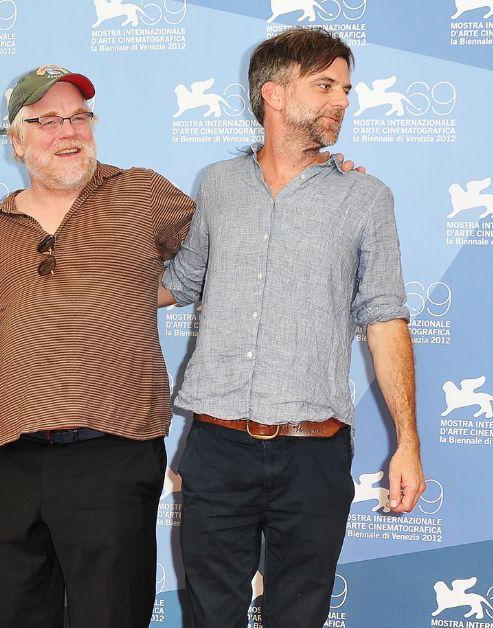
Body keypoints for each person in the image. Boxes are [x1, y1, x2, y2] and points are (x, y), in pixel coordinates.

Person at [162, 27, 424, 628]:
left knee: (299, 618)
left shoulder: (366, 196)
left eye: (346, 89)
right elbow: (181, 282)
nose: (343, 101)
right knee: (209, 617)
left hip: (314, 454)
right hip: (216, 448)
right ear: (274, 95)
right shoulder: (218, 185)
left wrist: (407, 442)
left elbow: (385, 318)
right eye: (326, 85)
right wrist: (84, 275)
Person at [0, 64, 195, 627]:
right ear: (17, 141)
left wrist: (307, 172)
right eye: (47, 121)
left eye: (79, 117)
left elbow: (220, 247)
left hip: (112, 453)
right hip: (11, 458)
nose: (68, 131)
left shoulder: (141, 192)